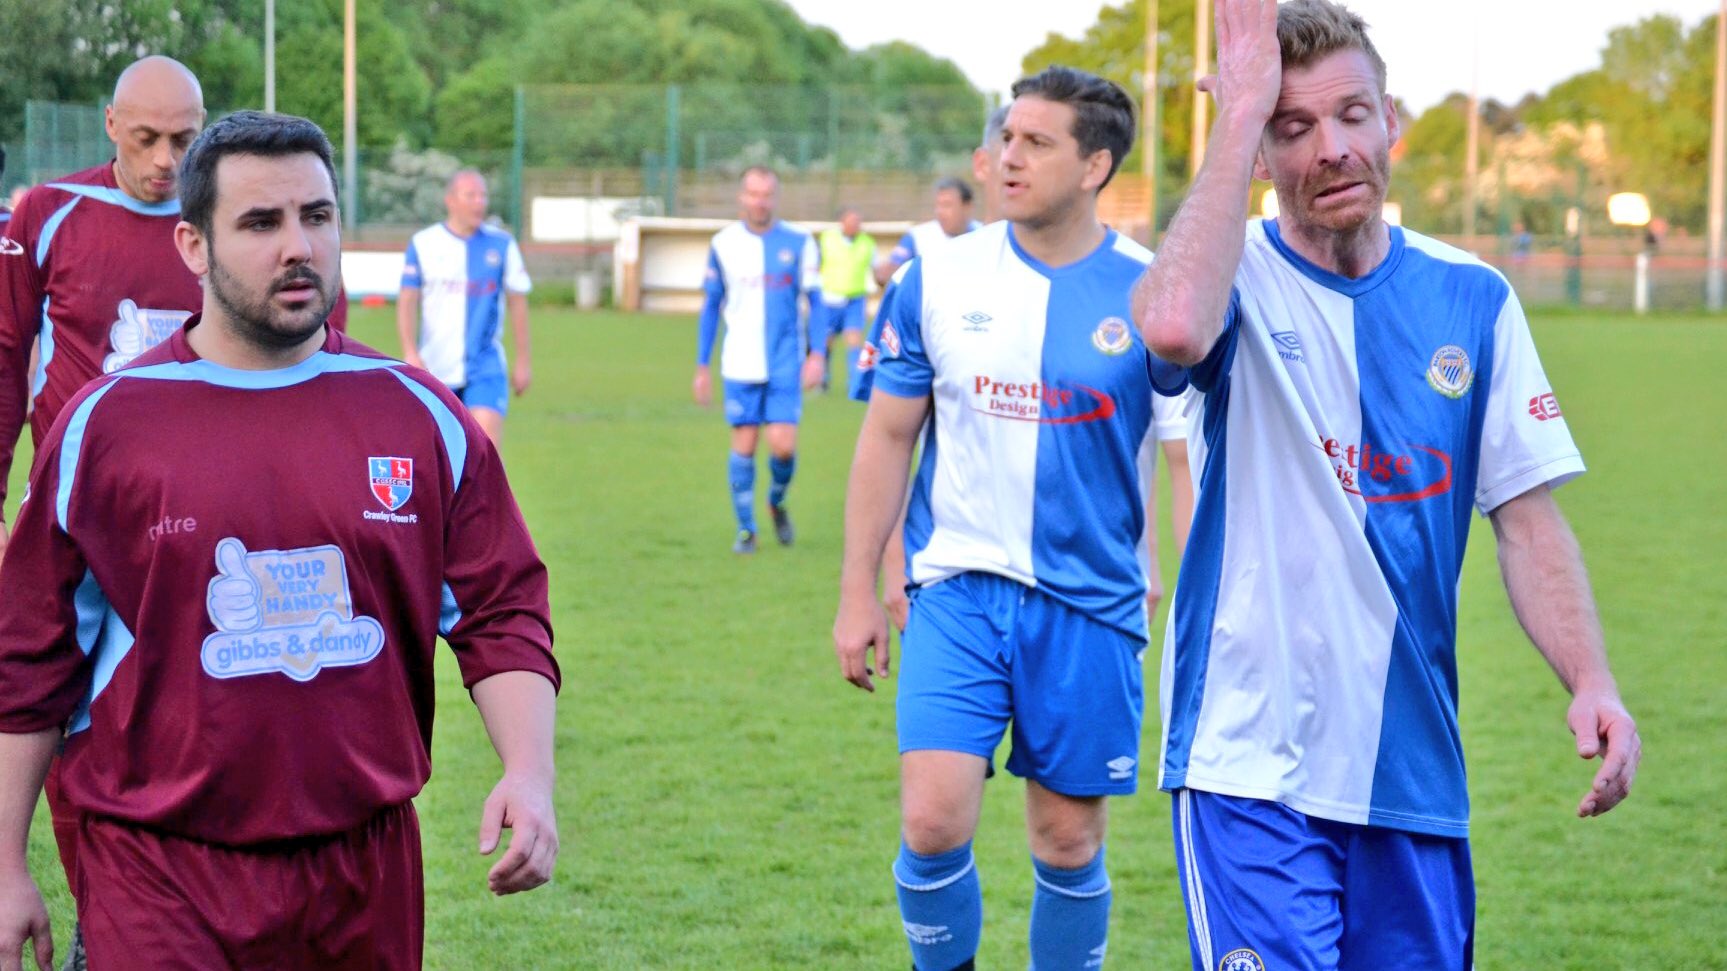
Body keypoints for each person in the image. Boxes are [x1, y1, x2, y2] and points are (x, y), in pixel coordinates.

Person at [1132, 2, 1640, 968]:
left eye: (1350, 115)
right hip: (1251, 764)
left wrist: (1591, 677)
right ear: (1259, 151)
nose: (1329, 148)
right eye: (1293, 128)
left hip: (1410, 771)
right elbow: (1167, 328)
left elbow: (1527, 522)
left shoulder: (1473, 298)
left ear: (1391, 120)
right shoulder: (1232, 277)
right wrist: (1236, 115)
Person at [0, 110, 559, 971]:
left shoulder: (416, 414)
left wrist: (529, 771)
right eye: (261, 223)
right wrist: (5, 864)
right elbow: (27, 654)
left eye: (317, 216)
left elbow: (501, 605)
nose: (298, 246)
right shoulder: (105, 426)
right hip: (159, 866)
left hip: (362, 869)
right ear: (193, 247)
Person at [833, 66, 1185, 971]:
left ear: (1096, 164)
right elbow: (885, 438)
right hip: (954, 587)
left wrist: (1187, 600)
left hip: (1091, 603)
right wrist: (855, 592)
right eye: (1004, 138)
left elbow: (1185, 461)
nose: (1004, 157)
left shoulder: (1154, 295)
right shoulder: (937, 278)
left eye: (1036, 142)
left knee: (1066, 841)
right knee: (931, 816)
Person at [692, 166, 824, 554]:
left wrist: (816, 354)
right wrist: (702, 365)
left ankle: (777, 501)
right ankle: (746, 529)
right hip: (739, 362)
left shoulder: (799, 242)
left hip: (785, 360)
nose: (759, 201)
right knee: (744, 445)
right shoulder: (723, 243)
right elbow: (711, 306)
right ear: (741, 197)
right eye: (752, 193)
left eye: (766, 194)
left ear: (775, 197)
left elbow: (816, 302)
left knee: (783, 447)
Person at [397, 169, 533, 446]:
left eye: (483, 195)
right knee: (442, 457)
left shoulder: (501, 244)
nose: (479, 202)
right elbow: (407, 300)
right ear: (451, 200)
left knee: (486, 450)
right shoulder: (424, 244)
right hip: (435, 365)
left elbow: (518, 302)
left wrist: (523, 361)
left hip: (485, 365)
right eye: (471, 195)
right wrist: (410, 350)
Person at [874, 177, 982, 287]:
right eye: (938, 205)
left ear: (967, 207)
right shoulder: (918, 237)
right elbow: (891, 271)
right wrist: (885, 271)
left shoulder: (985, 236)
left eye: (947, 205)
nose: (940, 211)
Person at [817, 206, 876, 394]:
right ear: (841, 222)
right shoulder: (827, 239)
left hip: (855, 298)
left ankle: (855, 381)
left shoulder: (867, 243)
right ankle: (823, 378)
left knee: (854, 340)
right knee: (827, 340)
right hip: (830, 298)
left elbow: (876, 269)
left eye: (858, 222)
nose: (855, 225)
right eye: (851, 222)